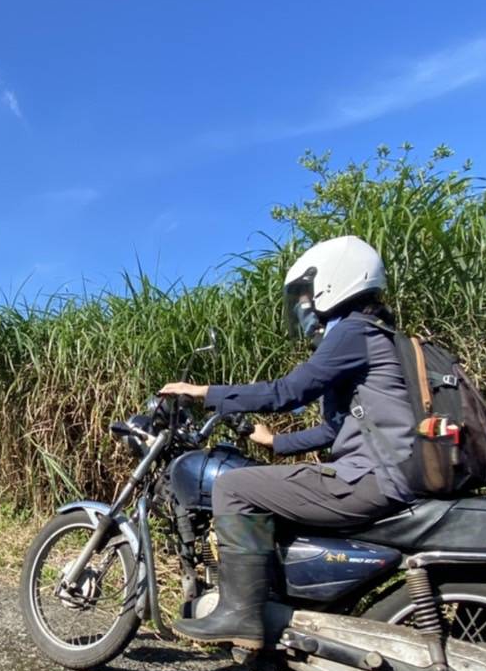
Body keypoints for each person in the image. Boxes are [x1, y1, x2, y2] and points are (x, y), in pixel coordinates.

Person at [157, 235, 416, 648]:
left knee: (234, 486)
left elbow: (287, 391)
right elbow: (337, 428)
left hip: (370, 479)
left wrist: (205, 393)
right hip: (387, 473)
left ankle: (239, 614)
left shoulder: (353, 331)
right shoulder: (380, 335)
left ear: (335, 281)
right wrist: (276, 443)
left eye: (307, 294)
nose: (305, 306)